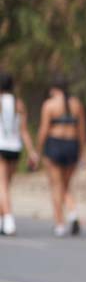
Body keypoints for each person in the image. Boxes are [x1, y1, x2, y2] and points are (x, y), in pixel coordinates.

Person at [36, 77, 86, 237]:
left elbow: (44, 130)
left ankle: (59, 224)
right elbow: (82, 131)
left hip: (55, 145)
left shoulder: (49, 105)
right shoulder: (76, 104)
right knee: (65, 185)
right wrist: (81, 152)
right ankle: (73, 214)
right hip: (72, 145)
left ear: (53, 89)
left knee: (56, 186)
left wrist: (38, 150)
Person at [0, 73, 39, 236]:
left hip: (1, 146)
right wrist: (31, 151)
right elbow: (23, 130)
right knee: (5, 186)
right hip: (15, 149)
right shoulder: (19, 103)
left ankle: (9, 221)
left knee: (2, 187)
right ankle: (3, 220)